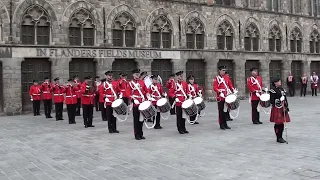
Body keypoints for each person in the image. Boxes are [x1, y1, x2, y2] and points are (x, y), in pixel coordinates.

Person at [126, 69, 150, 140]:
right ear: (133, 75)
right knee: (136, 120)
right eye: (136, 74)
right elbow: (127, 93)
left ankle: (141, 133)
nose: (137, 75)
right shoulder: (130, 83)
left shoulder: (141, 82)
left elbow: (146, 90)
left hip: (142, 103)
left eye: (138, 74)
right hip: (136, 104)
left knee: (141, 119)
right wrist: (132, 99)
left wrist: (148, 94)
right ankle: (136, 134)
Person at [213, 65, 237, 130]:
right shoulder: (216, 78)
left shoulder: (226, 77)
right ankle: (221, 124)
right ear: (219, 71)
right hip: (220, 97)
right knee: (221, 111)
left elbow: (230, 85)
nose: (224, 72)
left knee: (225, 111)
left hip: (226, 96)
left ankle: (225, 124)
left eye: (224, 70)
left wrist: (233, 90)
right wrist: (219, 92)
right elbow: (215, 87)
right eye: (222, 70)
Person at [269, 77, 291, 143]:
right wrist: (279, 100)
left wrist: (287, 107)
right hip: (277, 108)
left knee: (282, 123)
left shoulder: (282, 89)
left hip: (283, 108)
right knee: (278, 123)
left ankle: (281, 136)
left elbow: (285, 99)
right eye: (278, 81)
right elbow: (272, 101)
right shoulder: (272, 90)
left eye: (280, 81)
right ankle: (278, 137)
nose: (280, 82)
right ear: (275, 83)